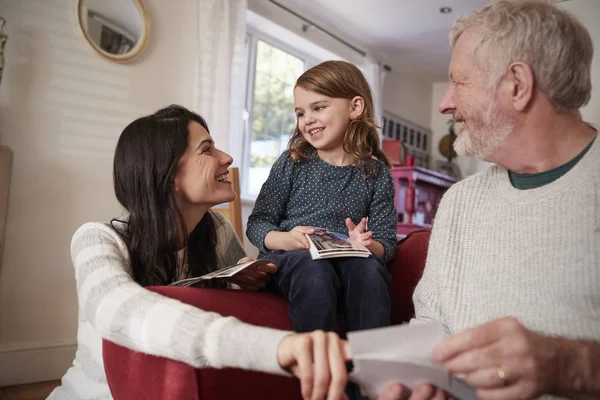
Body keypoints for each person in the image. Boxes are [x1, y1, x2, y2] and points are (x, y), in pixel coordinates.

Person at [49, 105, 352, 400]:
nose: (227, 158)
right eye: (207, 149)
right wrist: (280, 348)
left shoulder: (217, 230)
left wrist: (249, 280)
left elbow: (244, 304)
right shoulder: (97, 239)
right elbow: (117, 309)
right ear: (169, 176)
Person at [377, 1, 600, 399]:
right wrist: (419, 380)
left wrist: (569, 365)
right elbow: (431, 326)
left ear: (517, 84)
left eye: (459, 81)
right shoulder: (460, 201)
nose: (446, 103)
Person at [247, 60, 398, 400]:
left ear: (355, 107)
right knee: (313, 269)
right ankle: (324, 384)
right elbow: (258, 222)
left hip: (347, 260)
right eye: (301, 112)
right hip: (292, 259)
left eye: (319, 107)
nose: (307, 120)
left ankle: (371, 385)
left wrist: (366, 245)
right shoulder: (293, 162)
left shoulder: (376, 174)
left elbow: (388, 242)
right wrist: (286, 239)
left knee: (369, 270)